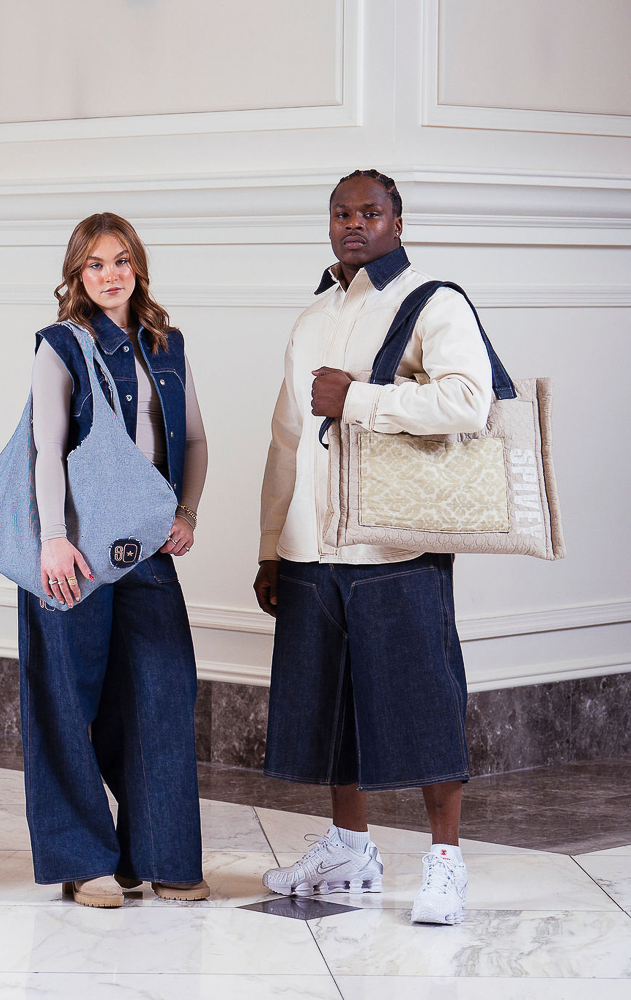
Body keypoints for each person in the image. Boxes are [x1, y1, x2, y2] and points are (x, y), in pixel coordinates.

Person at [254, 170, 492, 925]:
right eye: (341, 212)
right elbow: (286, 439)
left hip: (397, 549)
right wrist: (270, 546)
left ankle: (446, 864)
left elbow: (468, 402)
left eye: (370, 212)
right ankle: (350, 849)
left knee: (424, 701)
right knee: (330, 708)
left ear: (397, 220)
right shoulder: (311, 316)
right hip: (311, 552)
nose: (353, 224)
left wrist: (357, 397)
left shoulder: (433, 301)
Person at [17, 213, 209, 908]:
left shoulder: (166, 342)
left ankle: (162, 855)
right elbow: (46, 448)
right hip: (71, 551)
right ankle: (83, 860)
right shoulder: (61, 345)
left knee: (161, 692)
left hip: (144, 548)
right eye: (95, 264)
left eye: (121, 261)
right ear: (77, 274)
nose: (110, 274)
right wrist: (51, 538)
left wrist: (185, 514)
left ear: (138, 267)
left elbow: (191, 441)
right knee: (69, 703)